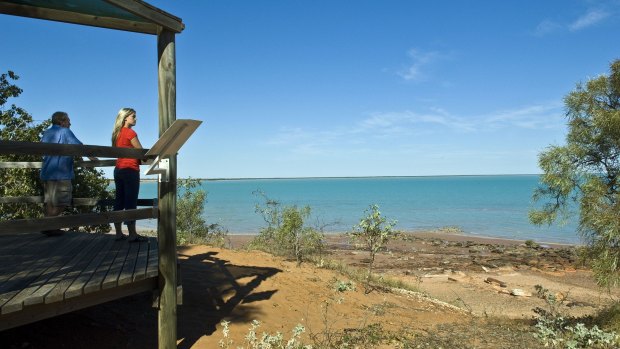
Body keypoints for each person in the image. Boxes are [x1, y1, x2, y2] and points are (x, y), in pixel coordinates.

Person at [40, 111, 95, 236]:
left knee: (50, 202)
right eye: (68, 120)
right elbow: (78, 146)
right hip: (61, 173)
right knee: (64, 201)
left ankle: (50, 227)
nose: (70, 123)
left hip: (47, 172)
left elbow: (43, 153)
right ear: (61, 121)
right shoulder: (65, 131)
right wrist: (92, 157)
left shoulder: (47, 133)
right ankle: (46, 224)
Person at [111, 107, 147, 242]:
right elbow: (141, 152)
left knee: (119, 200)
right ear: (125, 117)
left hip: (118, 170)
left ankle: (118, 233)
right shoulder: (130, 133)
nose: (135, 119)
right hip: (130, 170)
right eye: (133, 116)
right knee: (130, 201)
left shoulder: (116, 133)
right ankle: (132, 234)